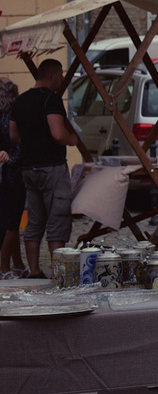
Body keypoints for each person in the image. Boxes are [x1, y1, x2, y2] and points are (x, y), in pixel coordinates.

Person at [8, 59, 79, 278]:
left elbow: (13, 136)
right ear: (51, 75)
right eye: (60, 75)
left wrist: (31, 143)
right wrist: (72, 139)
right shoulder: (52, 100)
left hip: (28, 168)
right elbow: (58, 133)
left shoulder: (19, 102)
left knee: (35, 221)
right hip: (52, 167)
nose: (61, 79)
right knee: (58, 219)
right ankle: (60, 273)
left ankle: (35, 269)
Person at [0, 79, 22, 274]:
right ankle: (5, 266)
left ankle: (18, 263)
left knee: (11, 220)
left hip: (6, 172)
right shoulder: (12, 116)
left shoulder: (2, 116)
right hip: (15, 171)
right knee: (12, 223)